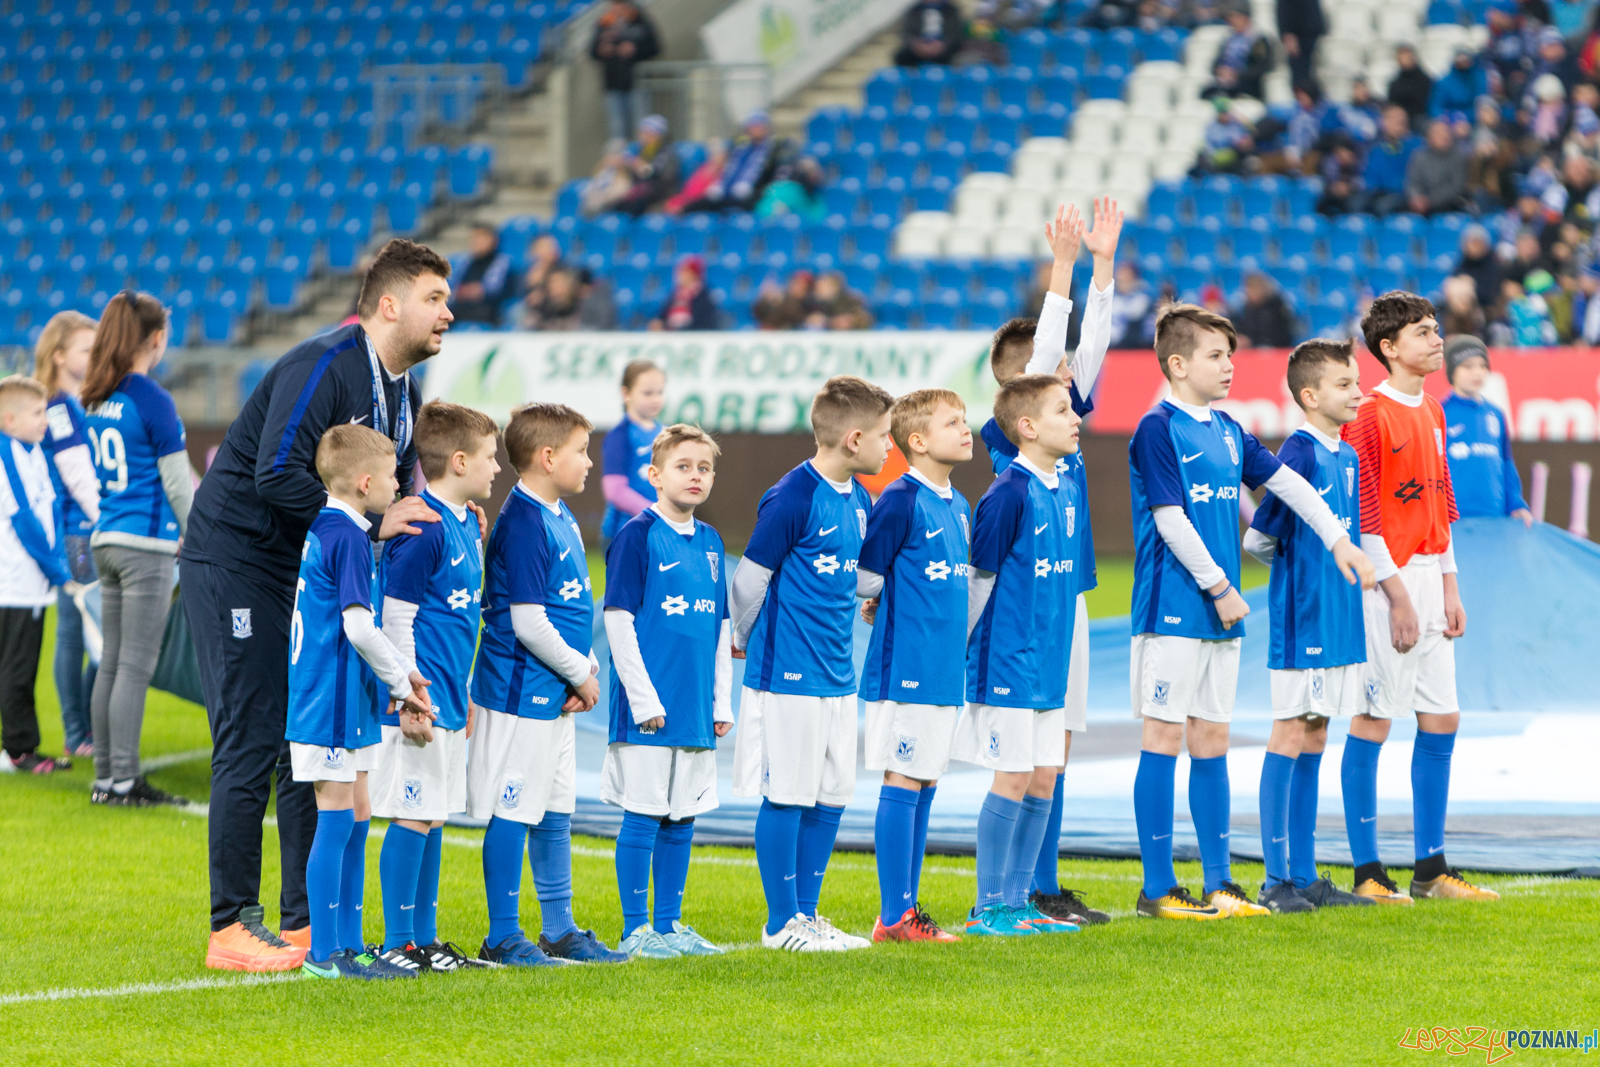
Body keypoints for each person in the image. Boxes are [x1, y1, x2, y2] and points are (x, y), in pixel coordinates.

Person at [183, 239, 450, 973]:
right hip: (238, 561)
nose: (448, 313)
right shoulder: (325, 364)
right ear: (388, 305)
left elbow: (401, 485)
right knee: (252, 734)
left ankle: (305, 922)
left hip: (310, 571)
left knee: (309, 737)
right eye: (434, 298)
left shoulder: (402, 391)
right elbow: (274, 473)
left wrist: (440, 515)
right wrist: (374, 524)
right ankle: (232, 924)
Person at [1127, 303, 1372, 920]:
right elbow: (1170, 520)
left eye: (1230, 355)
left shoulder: (1229, 429)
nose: (1229, 365)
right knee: (1164, 737)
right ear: (1178, 364)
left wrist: (1338, 540)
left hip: (1220, 614)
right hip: (1172, 608)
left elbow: (1290, 486)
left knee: (1211, 738)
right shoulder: (1156, 428)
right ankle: (1157, 889)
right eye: (1215, 355)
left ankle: (1220, 883)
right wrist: (1218, 586)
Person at [977, 198, 1120, 927]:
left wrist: (1104, 266)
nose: (1073, 381)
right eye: (1058, 373)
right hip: (1028, 612)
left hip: (1072, 600)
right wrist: (1062, 268)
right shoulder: (1008, 435)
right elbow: (1048, 362)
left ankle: (1041, 885)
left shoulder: (1061, 423)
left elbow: (1092, 346)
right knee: (1028, 753)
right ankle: (1010, 892)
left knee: (1054, 750)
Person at [1340, 292, 1498, 902]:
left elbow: (1442, 500)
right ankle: (1367, 872)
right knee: (1374, 718)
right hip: (1389, 585)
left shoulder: (1433, 408)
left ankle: (1431, 869)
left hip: (1432, 577)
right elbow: (1364, 512)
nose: (1438, 340)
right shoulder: (1368, 414)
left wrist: (1450, 584)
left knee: (1442, 717)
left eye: (1436, 329)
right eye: (1424, 333)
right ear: (1388, 348)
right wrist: (1398, 595)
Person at [730, 375, 894, 952]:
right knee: (788, 793)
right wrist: (744, 637)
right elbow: (749, 580)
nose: (890, 446)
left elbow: (850, 573)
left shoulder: (861, 499)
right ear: (854, 439)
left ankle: (806, 914)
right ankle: (780, 925)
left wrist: (879, 591)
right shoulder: (792, 495)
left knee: (831, 794)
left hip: (837, 672)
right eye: (883, 435)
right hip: (789, 673)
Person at [467, 403, 630, 966]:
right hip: (520, 690)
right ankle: (501, 936)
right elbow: (527, 620)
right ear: (547, 457)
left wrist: (584, 666)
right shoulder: (524, 522)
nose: (590, 462)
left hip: (552, 691)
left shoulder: (559, 514)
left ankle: (559, 929)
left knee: (555, 807)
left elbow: (569, 605)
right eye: (581, 451)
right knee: (515, 807)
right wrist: (580, 671)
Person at [291, 425, 433, 981]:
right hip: (328, 699)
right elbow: (357, 627)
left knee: (357, 814)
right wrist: (401, 683)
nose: (400, 486)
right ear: (366, 483)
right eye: (394, 476)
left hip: (348, 698)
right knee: (335, 819)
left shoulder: (334, 528)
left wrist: (402, 674)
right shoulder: (347, 535)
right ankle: (324, 954)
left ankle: (350, 946)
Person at [1243, 340, 1378, 913]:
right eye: (1345, 384)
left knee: (1316, 734)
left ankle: (1304, 874)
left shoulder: (1346, 455)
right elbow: (1259, 537)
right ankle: (1275, 881)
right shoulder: (1298, 452)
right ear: (1310, 395)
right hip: (1304, 620)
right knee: (1290, 732)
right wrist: (1300, 576)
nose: (1358, 393)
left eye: (1357, 382)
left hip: (1339, 616)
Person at [371, 401, 502, 974]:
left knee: (433, 814)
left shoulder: (465, 521)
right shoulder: (423, 527)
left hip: (446, 694)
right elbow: (395, 618)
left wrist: (459, 688)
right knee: (412, 812)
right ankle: (399, 942)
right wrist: (407, 694)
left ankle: (425, 941)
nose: (496, 467)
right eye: (490, 457)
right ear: (459, 461)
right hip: (417, 701)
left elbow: (455, 619)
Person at [956, 374, 1086, 937]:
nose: (1076, 418)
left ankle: (1018, 901)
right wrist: (957, 651)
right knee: (1012, 777)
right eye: (1063, 410)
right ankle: (988, 908)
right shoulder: (1008, 492)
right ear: (1028, 427)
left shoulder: (1067, 488)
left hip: (1049, 663)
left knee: (1044, 778)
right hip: (1008, 661)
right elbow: (978, 581)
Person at [602, 424, 732, 959]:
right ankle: (636, 931)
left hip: (694, 705)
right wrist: (643, 698)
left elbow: (721, 626)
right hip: (649, 709)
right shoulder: (637, 535)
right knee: (644, 813)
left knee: (682, 816)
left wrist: (722, 700)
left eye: (704, 468)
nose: (695, 476)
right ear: (654, 475)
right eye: (683, 466)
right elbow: (617, 620)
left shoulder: (712, 542)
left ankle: (669, 925)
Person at [855, 389, 973, 943]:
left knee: (925, 779)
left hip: (944, 667)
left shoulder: (960, 504)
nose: (966, 429)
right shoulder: (900, 499)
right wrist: (880, 598)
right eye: (953, 422)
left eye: (965, 420)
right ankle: (894, 914)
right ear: (918, 441)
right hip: (906, 665)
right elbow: (865, 576)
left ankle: (904, 912)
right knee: (903, 776)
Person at [83, 291, 194, 809]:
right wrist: (199, 536)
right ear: (156, 338)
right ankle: (125, 782)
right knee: (134, 665)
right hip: (144, 546)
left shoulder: (96, 396)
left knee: (111, 662)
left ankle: (106, 777)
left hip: (106, 538)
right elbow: (177, 484)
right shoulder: (151, 398)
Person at [0, 376, 79, 774]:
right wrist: (56, 568)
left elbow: (50, 510)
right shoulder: (7, 454)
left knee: (20, 666)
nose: (45, 420)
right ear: (10, 419)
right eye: (36, 413)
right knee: (17, 669)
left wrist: (57, 560)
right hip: (15, 586)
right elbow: (24, 519)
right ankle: (19, 750)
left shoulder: (32, 452)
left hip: (30, 583)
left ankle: (19, 746)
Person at [32, 311, 101, 758]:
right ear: (58, 355)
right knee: (81, 632)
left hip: (78, 531)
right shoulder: (58, 408)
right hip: (79, 533)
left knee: (84, 631)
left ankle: (83, 729)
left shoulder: (70, 403)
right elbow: (77, 476)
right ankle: (78, 732)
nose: (94, 356)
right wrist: (108, 519)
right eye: (86, 349)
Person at [1440, 336, 1533, 525]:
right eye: (1468, 366)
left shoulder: (1495, 414)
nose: (1477, 372)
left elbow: (1506, 463)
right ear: (1452, 371)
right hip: (1452, 520)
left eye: (1482, 366)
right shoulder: (1439, 412)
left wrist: (1516, 505)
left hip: (1494, 517)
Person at [601, 360, 666, 544]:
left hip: (659, 529)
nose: (655, 399)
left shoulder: (667, 434)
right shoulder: (620, 436)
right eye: (647, 393)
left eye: (660, 392)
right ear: (626, 393)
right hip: (625, 532)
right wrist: (657, 513)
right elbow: (615, 491)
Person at [590, 0, 660, 143]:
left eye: (621, 4)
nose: (618, 8)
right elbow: (592, 51)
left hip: (638, 83)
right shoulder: (604, 23)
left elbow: (655, 48)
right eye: (615, 4)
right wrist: (602, 50)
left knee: (643, 129)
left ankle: (643, 156)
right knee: (618, 132)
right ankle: (622, 157)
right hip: (613, 84)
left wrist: (635, 49)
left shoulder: (640, 21)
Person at [1358, 105, 1421, 216]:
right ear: (1383, 122)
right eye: (1392, 119)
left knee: (1383, 207)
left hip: (1403, 194)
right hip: (1377, 192)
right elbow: (1370, 177)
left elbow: (1413, 179)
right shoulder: (1375, 148)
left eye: (1401, 121)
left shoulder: (1416, 145)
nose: (1397, 124)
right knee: (1356, 204)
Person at [448, 223, 514, 327]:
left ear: (493, 240)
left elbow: (494, 290)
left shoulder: (501, 262)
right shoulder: (467, 262)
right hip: (462, 306)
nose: (477, 241)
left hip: (489, 308)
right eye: (475, 237)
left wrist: (475, 291)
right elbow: (455, 288)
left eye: (481, 237)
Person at [1206, 3, 1273, 101]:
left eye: (1236, 17)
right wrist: (1220, 71)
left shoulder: (1258, 40)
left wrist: (1236, 74)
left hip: (1245, 85)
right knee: (1206, 93)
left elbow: (1260, 67)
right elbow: (1215, 64)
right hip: (1223, 82)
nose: (1232, 21)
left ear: (1246, 18)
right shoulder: (1229, 39)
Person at [1406, 119, 1471, 216]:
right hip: (1421, 204)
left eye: (1446, 132)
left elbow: (1456, 187)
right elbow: (1413, 182)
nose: (1444, 136)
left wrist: (1429, 201)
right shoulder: (1419, 156)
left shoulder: (1459, 156)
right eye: (1438, 133)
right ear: (1429, 137)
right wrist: (1416, 197)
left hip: (1450, 204)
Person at [650, 255, 719, 331]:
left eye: (684, 271)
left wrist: (674, 329)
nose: (680, 274)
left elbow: (702, 322)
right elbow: (663, 314)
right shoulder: (675, 294)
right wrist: (658, 323)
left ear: (693, 274)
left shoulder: (704, 296)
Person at [1230, 272, 1297, 347]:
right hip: (1252, 349)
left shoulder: (1276, 307)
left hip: (1274, 348)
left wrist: (1252, 342)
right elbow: (1242, 329)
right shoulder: (1246, 308)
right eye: (1250, 288)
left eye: (1255, 287)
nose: (1252, 292)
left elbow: (1282, 335)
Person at [893, 0, 964, 67]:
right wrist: (917, 45)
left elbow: (955, 33)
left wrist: (942, 45)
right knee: (902, 57)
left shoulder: (951, 11)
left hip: (944, 49)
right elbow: (907, 32)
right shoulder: (914, 10)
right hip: (918, 49)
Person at [1276, 0, 1325, 90]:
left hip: (1312, 35)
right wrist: (1288, 33)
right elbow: (1284, 8)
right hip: (1298, 38)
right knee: (1300, 77)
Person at [1431, 47, 1489, 117]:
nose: (1463, 63)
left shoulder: (1480, 78)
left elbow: (1483, 102)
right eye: (1460, 61)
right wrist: (1450, 118)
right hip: (1450, 118)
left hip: (1475, 117)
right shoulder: (1444, 82)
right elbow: (1435, 107)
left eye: (1466, 60)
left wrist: (1468, 117)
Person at [806, 272, 874, 330]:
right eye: (817, 287)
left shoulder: (851, 301)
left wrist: (852, 320)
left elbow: (865, 320)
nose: (817, 289)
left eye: (822, 286)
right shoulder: (810, 302)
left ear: (834, 287)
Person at [1387, 44, 1434, 128]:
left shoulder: (1424, 80)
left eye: (1407, 55)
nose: (1405, 59)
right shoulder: (1395, 83)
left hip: (1421, 117)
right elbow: (1392, 104)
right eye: (1401, 55)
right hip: (1402, 118)